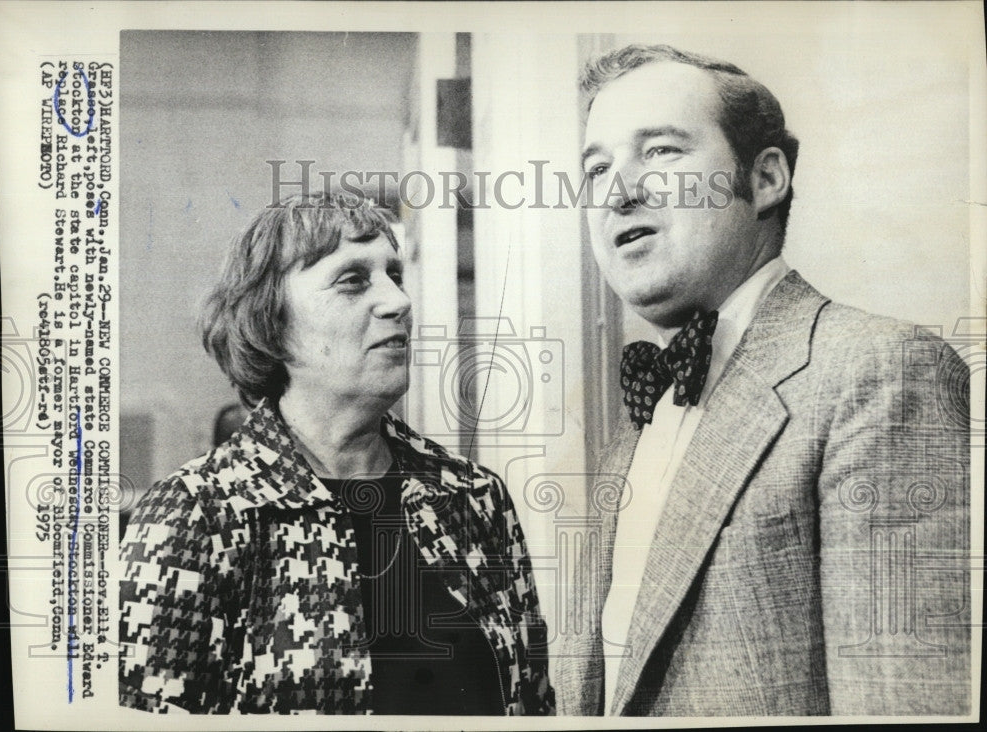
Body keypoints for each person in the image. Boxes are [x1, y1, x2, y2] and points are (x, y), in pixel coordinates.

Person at [556, 44, 970, 716]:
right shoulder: (637, 423)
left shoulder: (880, 373)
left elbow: (905, 706)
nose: (616, 190)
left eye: (661, 152)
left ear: (767, 178)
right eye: (596, 167)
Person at [119, 192, 555, 715]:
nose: (398, 301)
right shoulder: (193, 516)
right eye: (353, 280)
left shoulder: (475, 498)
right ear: (271, 322)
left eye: (395, 274)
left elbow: (532, 707)